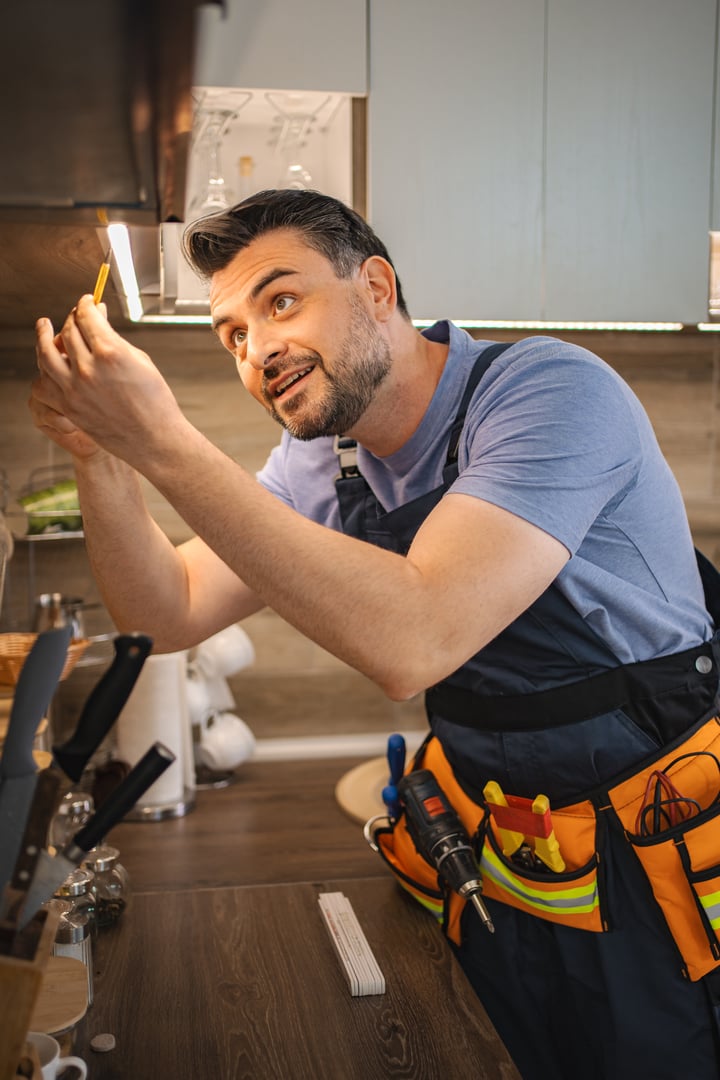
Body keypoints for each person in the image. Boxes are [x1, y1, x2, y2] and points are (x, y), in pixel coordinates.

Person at [30, 189, 720, 1079]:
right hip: (509, 843)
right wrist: (103, 457)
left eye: (281, 302)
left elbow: (415, 638)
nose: (258, 349)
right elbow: (165, 614)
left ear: (378, 289)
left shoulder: (548, 392)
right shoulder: (325, 458)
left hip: (656, 832)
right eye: (232, 334)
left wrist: (164, 439)